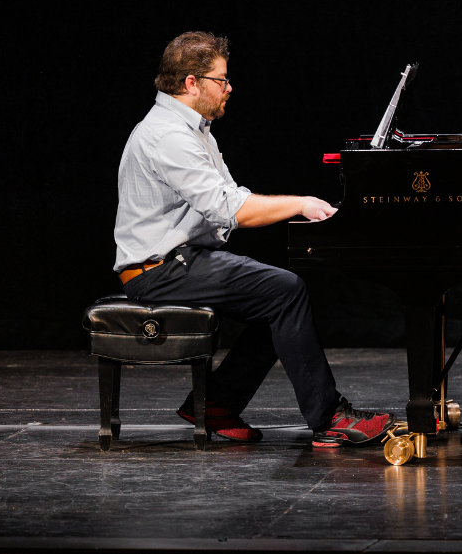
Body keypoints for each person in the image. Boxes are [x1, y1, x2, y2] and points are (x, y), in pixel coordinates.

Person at [114, 31, 395, 448]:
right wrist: (299, 203)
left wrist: (300, 204)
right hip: (158, 271)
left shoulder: (193, 130)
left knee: (279, 297)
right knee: (285, 290)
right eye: (221, 80)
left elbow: (233, 195)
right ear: (191, 83)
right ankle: (329, 417)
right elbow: (231, 209)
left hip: (180, 261)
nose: (229, 88)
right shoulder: (168, 136)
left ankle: (214, 404)